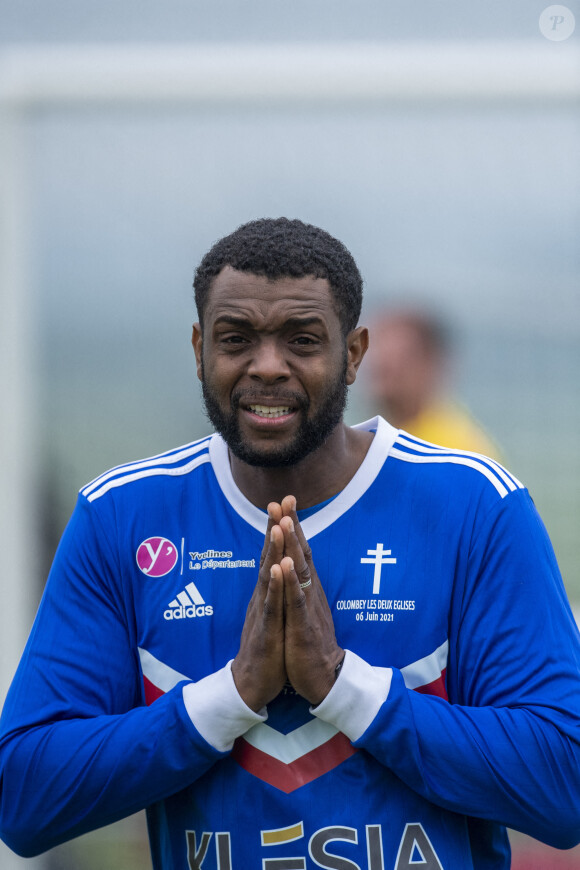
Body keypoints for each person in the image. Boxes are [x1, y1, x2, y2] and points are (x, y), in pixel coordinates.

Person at [1, 217, 579, 870]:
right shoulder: (122, 518)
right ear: (198, 348)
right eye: (236, 338)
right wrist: (232, 694)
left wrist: (344, 687)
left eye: (302, 339)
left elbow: (564, 789)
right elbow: (23, 801)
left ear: (354, 353)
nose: (267, 366)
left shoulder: (476, 507)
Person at [366, 307, 502, 458]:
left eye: (401, 358)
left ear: (432, 364)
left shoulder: (454, 451)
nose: (381, 360)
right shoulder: (379, 437)